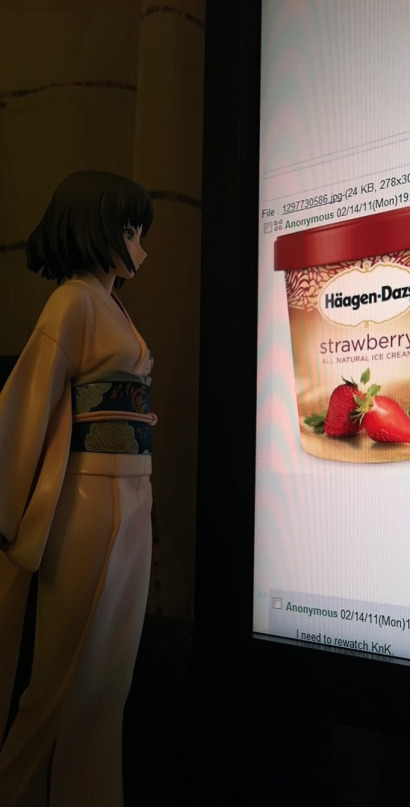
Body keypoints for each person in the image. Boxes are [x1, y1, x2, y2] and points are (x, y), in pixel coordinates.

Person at [0, 170, 156, 806]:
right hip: (90, 497)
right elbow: (26, 399)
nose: (140, 246)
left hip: (134, 492)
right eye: (131, 231)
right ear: (99, 229)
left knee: (106, 680)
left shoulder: (109, 304)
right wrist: (8, 508)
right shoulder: (73, 302)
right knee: (61, 680)